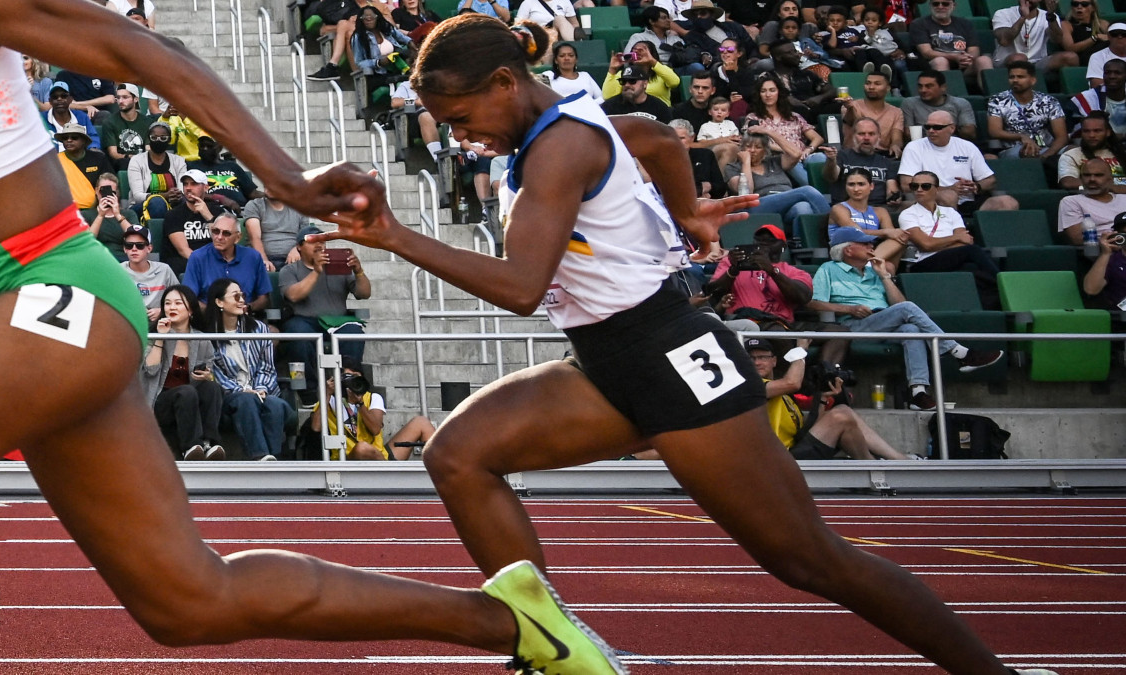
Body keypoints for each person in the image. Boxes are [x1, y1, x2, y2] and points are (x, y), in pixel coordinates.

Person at [317, 14, 1061, 675]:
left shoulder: (556, 150)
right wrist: (687, 210)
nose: (456, 135)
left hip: (670, 353)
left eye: (459, 115)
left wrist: (394, 236)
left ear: (506, 82)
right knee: (458, 452)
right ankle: (552, 641)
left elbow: (518, 287)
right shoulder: (568, 118)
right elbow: (647, 134)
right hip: (607, 358)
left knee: (808, 557)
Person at [0, 2, 617, 670]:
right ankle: (513, 622)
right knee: (189, 600)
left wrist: (287, 181)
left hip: (55, 292)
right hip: (4, 306)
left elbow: (143, 50)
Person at [808, 228, 1005, 410]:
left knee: (911, 330)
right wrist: (849, 309)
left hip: (883, 324)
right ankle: (959, 353)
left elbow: (898, 304)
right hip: (852, 326)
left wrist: (884, 276)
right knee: (908, 310)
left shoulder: (874, 271)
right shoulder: (829, 269)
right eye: (865, 244)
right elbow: (813, 303)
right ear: (848, 250)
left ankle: (918, 394)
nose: (872, 246)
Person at [747, 337, 912, 460]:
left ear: (774, 361)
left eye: (762, 357)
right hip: (780, 458)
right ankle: (879, 466)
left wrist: (823, 399)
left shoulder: (781, 394)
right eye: (751, 358)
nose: (757, 362)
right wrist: (800, 350)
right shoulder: (749, 387)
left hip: (794, 449)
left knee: (843, 412)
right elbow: (793, 383)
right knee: (840, 415)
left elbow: (804, 432)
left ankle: (888, 463)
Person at [705, 224, 850, 365]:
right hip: (750, 322)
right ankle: (793, 380)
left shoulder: (794, 272)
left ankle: (825, 376)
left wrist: (772, 270)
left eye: (770, 241)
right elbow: (713, 292)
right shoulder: (731, 264)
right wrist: (733, 270)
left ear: (783, 247)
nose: (763, 244)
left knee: (839, 332)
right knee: (777, 332)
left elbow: (803, 297)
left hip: (786, 323)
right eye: (759, 240)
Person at [202, 279, 290, 462]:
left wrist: (261, 389)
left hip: (259, 391)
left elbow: (267, 367)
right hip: (229, 396)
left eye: (242, 295)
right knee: (246, 400)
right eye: (235, 296)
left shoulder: (259, 329)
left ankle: (273, 460)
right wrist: (242, 390)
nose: (242, 300)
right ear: (219, 302)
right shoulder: (207, 334)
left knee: (275, 405)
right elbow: (214, 373)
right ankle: (259, 456)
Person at [139, 284, 225, 462]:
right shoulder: (154, 336)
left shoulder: (201, 340)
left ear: (191, 310)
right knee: (186, 391)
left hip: (189, 401)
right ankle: (190, 447)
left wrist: (208, 377)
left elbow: (211, 373)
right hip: (160, 401)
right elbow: (150, 370)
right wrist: (161, 337)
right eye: (168, 303)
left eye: (178, 303)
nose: (172, 307)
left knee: (212, 388)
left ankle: (209, 443)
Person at [898, 171, 1002, 310]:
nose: (919, 190)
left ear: (936, 189)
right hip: (923, 263)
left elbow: (965, 241)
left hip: (951, 259)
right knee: (974, 251)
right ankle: (1003, 281)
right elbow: (925, 244)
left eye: (925, 186)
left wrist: (946, 243)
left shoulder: (950, 212)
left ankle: (988, 311)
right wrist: (955, 238)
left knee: (976, 273)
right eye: (914, 186)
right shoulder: (908, 214)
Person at [280, 226, 371, 376]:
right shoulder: (290, 270)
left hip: (336, 321)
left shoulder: (339, 267)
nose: (319, 244)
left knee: (354, 332)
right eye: (312, 241)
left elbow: (364, 294)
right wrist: (317, 271)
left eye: (323, 241)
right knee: (297, 333)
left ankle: (347, 382)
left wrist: (359, 271)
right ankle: (308, 389)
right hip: (304, 320)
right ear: (299, 247)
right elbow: (294, 295)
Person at [309, 358, 438, 461]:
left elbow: (375, 429)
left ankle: (441, 475)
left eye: (356, 378)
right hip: (348, 458)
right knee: (361, 448)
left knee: (421, 422)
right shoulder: (330, 400)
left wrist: (360, 404)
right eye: (349, 378)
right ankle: (391, 478)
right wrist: (327, 394)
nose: (353, 382)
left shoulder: (372, 398)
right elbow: (316, 427)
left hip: (379, 455)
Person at [898, 111, 1018, 213]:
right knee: (949, 197)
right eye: (928, 127)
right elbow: (906, 184)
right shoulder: (914, 147)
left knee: (1007, 202)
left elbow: (990, 180)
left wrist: (976, 186)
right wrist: (950, 189)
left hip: (968, 201)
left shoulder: (967, 146)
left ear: (952, 128)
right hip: (932, 202)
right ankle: (956, 235)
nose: (931, 130)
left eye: (937, 127)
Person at [725, 131, 831, 234]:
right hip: (757, 207)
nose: (752, 150)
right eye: (748, 146)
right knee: (807, 191)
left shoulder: (774, 162)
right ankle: (832, 227)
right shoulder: (732, 168)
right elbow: (747, 193)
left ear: (765, 150)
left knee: (803, 208)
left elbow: (796, 154)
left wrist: (769, 132)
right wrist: (746, 162)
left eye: (758, 147)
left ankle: (802, 247)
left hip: (787, 204)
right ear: (742, 148)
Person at [743, 72, 828, 187]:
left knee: (819, 157)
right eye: (763, 91)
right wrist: (790, 151)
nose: (768, 94)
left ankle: (827, 192)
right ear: (759, 95)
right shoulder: (754, 118)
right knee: (793, 160)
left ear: (779, 93)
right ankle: (817, 192)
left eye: (772, 90)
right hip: (781, 159)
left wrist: (808, 150)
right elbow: (755, 143)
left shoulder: (793, 116)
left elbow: (817, 138)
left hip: (803, 155)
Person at [181, 213, 272, 310]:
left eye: (226, 233)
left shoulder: (253, 257)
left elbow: (264, 298)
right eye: (216, 231)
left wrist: (248, 308)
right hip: (209, 320)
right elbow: (189, 298)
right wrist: (217, 314)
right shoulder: (197, 257)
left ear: (237, 238)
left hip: (245, 317)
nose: (219, 237)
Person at [986, 60, 1068, 159]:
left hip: (1046, 148)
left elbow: (1062, 136)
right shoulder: (998, 100)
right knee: (1028, 151)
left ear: (1033, 80)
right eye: (1012, 77)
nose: (1015, 80)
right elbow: (994, 131)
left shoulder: (1049, 101)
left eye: (1020, 77)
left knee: (1073, 151)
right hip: (1015, 149)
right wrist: (1021, 136)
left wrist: (1048, 154)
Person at [829, 167, 909, 268]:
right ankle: (870, 265)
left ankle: (869, 265)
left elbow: (892, 235)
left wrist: (893, 233)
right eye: (851, 184)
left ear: (871, 186)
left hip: (870, 251)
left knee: (899, 241)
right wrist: (885, 232)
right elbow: (854, 233)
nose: (856, 189)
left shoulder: (880, 211)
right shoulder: (839, 208)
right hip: (847, 252)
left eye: (861, 184)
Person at [822, 117, 903, 208]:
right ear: (853, 136)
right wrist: (832, 160)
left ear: (879, 137)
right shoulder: (842, 156)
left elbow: (891, 188)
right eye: (861, 134)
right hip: (846, 208)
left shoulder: (886, 162)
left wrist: (894, 198)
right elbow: (831, 177)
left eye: (871, 134)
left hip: (878, 208)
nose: (866, 138)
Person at [908, 0, 993, 85]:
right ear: (930, 5)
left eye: (945, 4)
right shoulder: (919, 24)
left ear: (954, 5)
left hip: (964, 66)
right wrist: (955, 57)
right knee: (941, 61)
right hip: (933, 66)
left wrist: (967, 59)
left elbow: (974, 49)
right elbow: (927, 52)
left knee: (984, 60)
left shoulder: (965, 24)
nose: (940, 7)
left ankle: (994, 96)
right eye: (936, 4)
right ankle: (946, 96)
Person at [160, 169, 223, 275]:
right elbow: (183, 250)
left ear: (206, 187)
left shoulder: (218, 212)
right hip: (185, 262)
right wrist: (206, 265)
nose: (188, 188)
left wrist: (208, 217)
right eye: (185, 184)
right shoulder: (173, 214)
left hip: (213, 260)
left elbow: (222, 241)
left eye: (194, 184)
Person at [127, 120, 188, 223]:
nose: (158, 140)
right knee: (157, 202)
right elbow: (137, 196)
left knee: (187, 201)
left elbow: (182, 190)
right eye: (154, 138)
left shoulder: (179, 161)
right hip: (142, 207)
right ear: (148, 139)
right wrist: (164, 196)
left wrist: (177, 194)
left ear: (169, 140)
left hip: (173, 203)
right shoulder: (136, 160)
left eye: (163, 138)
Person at [991, 0, 1076, 73]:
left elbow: (1057, 39)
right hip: (1008, 61)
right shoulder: (1002, 13)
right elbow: (1004, 41)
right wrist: (1023, 17)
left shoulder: (1049, 16)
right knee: (1019, 59)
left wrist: (1051, 17)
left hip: (1037, 61)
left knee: (1071, 58)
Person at [186, 136, 263, 213]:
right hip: (211, 210)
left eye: (209, 146)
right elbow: (189, 193)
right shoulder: (192, 167)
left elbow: (252, 193)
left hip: (241, 210)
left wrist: (271, 196)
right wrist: (220, 198)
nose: (205, 149)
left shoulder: (232, 166)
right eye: (202, 146)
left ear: (220, 147)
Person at [1057, 158, 1126, 245]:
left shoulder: (1124, 199)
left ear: (1110, 179)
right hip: (1100, 250)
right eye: (1087, 175)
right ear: (1081, 178)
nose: (1092, 179)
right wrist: (1111, 241)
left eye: (1099, 175)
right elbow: (1078, 239)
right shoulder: (1071, 202)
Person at [900, 69, 978, 142]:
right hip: (923, 147)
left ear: (943, 87)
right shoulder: (909, 103)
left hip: (952, 146)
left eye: (929, 86)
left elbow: (969, 133)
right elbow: (909, 134)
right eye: (920, 86)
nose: (923, 90)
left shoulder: (960, 103)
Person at [120, 225, 178, 323]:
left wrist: (162, 311)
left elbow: (179, 298)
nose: (134, 249)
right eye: (129, 245)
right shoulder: (118, 271)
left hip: (161, 322)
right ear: (125, 249)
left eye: (140, 245)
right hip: (128, 323)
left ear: (149, 248)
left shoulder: (164, 269)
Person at [241, 196, 314, 272]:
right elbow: (254, 237)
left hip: (293, 259)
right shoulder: (255, 205)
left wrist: (297, 249)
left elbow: (305, 236)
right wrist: (264, 260)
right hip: (262, 257)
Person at [841, 70, 904, 158]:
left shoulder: (896, 112)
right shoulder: (851, 106)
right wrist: (850, 108)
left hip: (882, 155)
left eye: (877, 84)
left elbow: (897, 137)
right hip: (855, 154)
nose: (871, 87)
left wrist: (895, 145)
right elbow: (855, 122)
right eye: (868, 83)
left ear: (888, 88)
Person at [1058, 111, 1126, 190]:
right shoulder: (1071, 155)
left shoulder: (1122, 154)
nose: (1091, 135)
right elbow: (1068, 182)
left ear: (1107, 133)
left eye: (1097, 131)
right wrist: (1111, 187)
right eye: (1086, 131)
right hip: (1088, 199)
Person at [627, 6, 703, 75]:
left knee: (697, 67)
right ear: (652, 21)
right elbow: (628, 57)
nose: (669, 21)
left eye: (668, 18)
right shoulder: (639, 37)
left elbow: (686, 53)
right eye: (664, 18)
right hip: (653, 71)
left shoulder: (674, 37)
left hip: (674, 69)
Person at [83, 172, 141, 259]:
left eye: (111, 192)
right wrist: (100, 216)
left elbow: (136, 238)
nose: (106, 195)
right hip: (96, 257)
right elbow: (87, 241)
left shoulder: (129, 214)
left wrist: (117, 214)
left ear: (116, 193)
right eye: (102, 191)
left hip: (123, 258)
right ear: (96, 191)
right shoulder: (86, 215)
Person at [604, 41, 680, 106]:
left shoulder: (661, 72)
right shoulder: (624, 74)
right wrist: (612, 69)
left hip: (659, 113)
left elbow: (675, 82)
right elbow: (608, 96)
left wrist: (652, 62)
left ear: (651, 54)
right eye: (634, 51)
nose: (637, 53)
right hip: (632, 113)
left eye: (641, 51)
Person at [304, 0, 360, 82]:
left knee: (343, 26)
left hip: (372, 39)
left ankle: (332, 66)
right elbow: (323, 30)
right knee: (346, 29)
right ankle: (333, 66)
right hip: (354, 34)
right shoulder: (323, 6)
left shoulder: (354, 4)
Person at [102, 83, 153, 171]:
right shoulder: (109, 122)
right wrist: (130, 157)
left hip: (143, 161)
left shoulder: (147, 122)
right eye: (118, 97)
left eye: (125, 97)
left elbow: (148, 148)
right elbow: (113, 153)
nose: (120, 101)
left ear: (136, 99)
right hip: (122, 162)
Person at [1070, 58, 1126, 137]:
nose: (1112, 76)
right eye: (1107, 73)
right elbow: (1079, 133)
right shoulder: (1085, 99)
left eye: (1117, 73)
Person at [672, 118, 726, 197]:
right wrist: (699, 191)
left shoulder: (706, 155)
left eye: (681, 138)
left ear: (692, 137)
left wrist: (709, 186)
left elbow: (721, 188)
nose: (677, 142)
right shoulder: (660, 158)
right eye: (673, 138)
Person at [40, 81, 101, 150]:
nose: (59, 99)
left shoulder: (82, 117)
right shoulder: (41, 119)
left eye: (63, 96)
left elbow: (93, 137)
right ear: (50, 101)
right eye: (55, 97)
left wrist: (93, 149)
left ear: (70, 99)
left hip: (79, 158)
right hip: (53, 159)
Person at [1082, 214, 1126, 310]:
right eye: (1124, 233)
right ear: (1116, 235)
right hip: (1120, 318)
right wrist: (1105, 253)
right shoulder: (1112, 260)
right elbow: (1091, 289)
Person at [600, 64, 673, 122]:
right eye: (623, 81)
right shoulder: (609, 107)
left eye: (632, 81)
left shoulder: (659, 107)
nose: (627, 85)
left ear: (645, 84)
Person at [55, 122, 113, 192]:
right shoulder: (56, 161)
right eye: (65, 138)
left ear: (83, 141)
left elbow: (110, 183)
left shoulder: (99, 158)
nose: (69, 140)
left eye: (74, 137)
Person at [1061, 0, 1110, 67]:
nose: (1079, 7)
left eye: (1084, 4)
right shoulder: (1066, 25)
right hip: (1085, 58)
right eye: (1075, 4)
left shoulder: (1102, 24)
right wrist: (1094, 38)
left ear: (1093, 8)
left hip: (1105, 56)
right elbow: (1070, 48)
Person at [1086, 22, 1126, 87]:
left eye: (1124, 34)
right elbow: (1097, 85)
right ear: (1109, 37)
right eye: (1114, 34)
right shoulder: (1097, 56)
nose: (1120, 37)